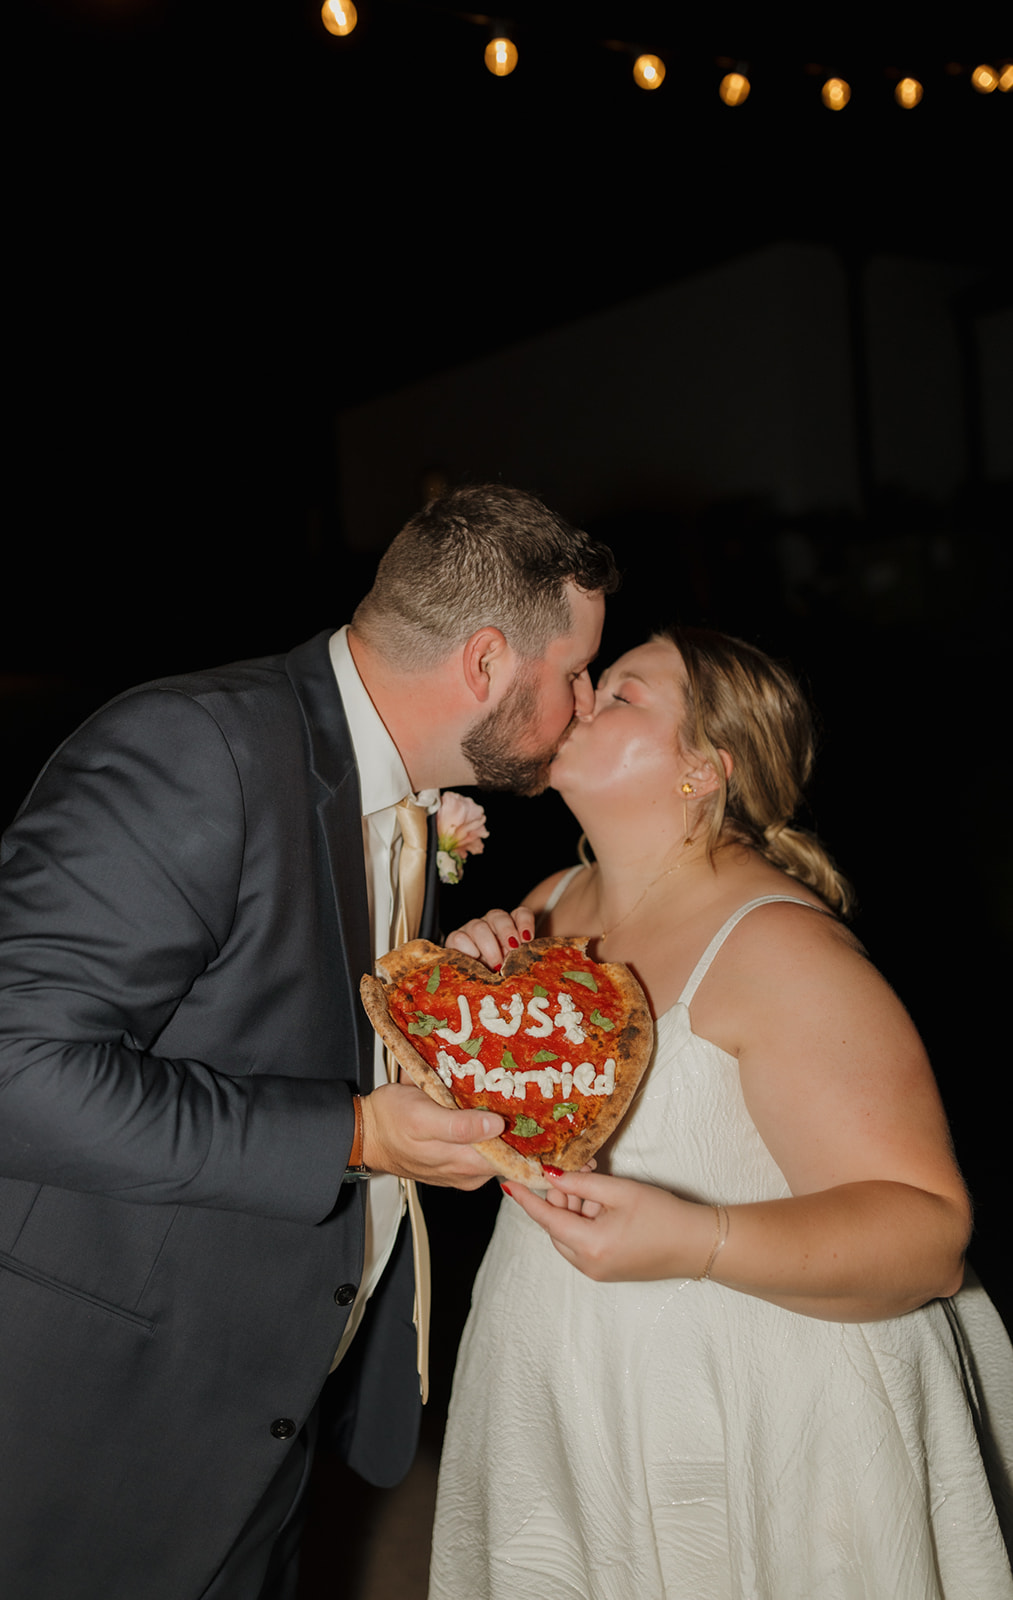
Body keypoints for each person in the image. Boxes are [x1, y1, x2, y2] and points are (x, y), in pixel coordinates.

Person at [0, 483, 619, 1600]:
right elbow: (16, 1072)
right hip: (85, 1418)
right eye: (573, 671)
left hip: (257, 1410)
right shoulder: (197, 748)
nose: (584, 700)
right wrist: (354, 1132)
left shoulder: (390, 784)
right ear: (483, 664)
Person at [430, 626, 1013, 1600]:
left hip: (752, 1396)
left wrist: (698, 1238)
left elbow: (926, 1232)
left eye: (619, 695)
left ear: (703, 767)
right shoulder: (548, 903)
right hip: (563, 1372)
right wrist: (466, 999)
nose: (575, 700)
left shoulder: (778, 949)